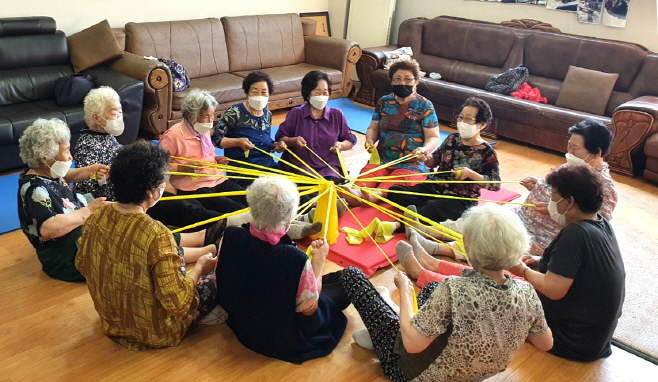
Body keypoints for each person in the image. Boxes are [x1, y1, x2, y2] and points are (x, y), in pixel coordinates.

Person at [339, 203, 553, 382]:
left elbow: (411, 345)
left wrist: (405, 290)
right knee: (432, 288)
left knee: (351, 275)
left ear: (467, 248)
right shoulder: (527, 290)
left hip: (410, 372)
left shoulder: (454, 289)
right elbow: (546, 343)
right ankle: (380, 336)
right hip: (471, 375)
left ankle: (382, 340)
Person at [76, 142, 221, 350]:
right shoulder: (156, 234)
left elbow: (82, 264)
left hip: (111, 321)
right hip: (156, 332)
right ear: (151, 192)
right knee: (213, 284)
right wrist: (199, 268)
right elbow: (178, 303)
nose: (165, 187)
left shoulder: (97, 217)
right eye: (163, 183)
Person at [412, 119, 618, 262]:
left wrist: (552, 210)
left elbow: (593, 227)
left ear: (597, 152)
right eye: (569, 145)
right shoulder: (571, 166)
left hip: (543, 235)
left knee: (494, 242)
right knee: (482, 217)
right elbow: (555, 186)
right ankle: (427, 229)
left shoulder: (605, 187)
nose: (569, 152)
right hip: (521, 215)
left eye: (575, 149)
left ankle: (439, 249)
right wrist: (538, 183)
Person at [215, 176, 350, 364]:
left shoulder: (231, 235)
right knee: (348, 280)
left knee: (335, 280)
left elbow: (223, 278)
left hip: (242, 322)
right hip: (279, 336)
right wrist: (318, 261)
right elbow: (309, 308)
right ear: (289, 217)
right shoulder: (296, 259)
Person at [509, 163, 625, 362]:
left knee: (492, 300)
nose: (551, 203)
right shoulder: (600, 223)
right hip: (595, 341)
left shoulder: (575, 233)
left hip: (569, 340)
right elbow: (584, 269)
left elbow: (554, 290)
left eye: (554, 198)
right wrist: (539, 260)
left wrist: (522, 270)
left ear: (569, 202)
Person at [74, 86, 230, 231]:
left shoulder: (106, 136)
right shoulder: (88, 145)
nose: (120, 117)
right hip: (126, 201)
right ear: (97, 118)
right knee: (185, 208)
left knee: (190, 206)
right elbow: (88, 188)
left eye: (121, 111)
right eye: (115, 113)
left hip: (138, 192)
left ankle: (223, 224)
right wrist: (105, 177)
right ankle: (223, 227)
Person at [17, 118, 109, 281]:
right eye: (66, 151)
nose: (71, 157)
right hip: (64, 258)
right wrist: (88, 211)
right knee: (122, 259)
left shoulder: (44, 172)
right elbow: (49, 228)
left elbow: (64, 176)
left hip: (73, 238)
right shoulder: (35, 190)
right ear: (46, 158)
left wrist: (89, 171)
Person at [386, 97, 500, 227]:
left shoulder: (487, 151)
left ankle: (399, 225)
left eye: (468, 119)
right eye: (460, 117)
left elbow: (495, 184)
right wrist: (424, 157)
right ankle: (424, 209)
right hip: (435, 187)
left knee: (433, 207)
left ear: (482, 124)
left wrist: (471, 174)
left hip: (459, 199)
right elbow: (434, 161)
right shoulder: (452, 138)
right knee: (395, 191)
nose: (462, 122)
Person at [348, 58, 441, 205]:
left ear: (416, 81)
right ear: (391, 81)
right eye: (397, 79)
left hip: (411, 161)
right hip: (382, 158)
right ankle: (356, 196)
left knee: (395, 184)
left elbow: (433, 136)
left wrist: (424, 149)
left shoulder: (425, 105)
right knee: (365, 179)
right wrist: (370, 140)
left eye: (408, 79)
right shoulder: (384, 102)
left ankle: (374, 196)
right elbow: (373, 127)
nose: (402, 83)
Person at [159, 89, 247, 214]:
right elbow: (159, 167)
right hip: (194, 187)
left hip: (216, 178)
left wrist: (216, 159)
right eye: (206, 116)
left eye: (212, 115)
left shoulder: (203, 129)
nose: (211, 120)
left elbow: (206, 154)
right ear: (192, 116)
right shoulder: (173, 136)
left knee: (250, 199)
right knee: (238, 210)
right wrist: (182, 168)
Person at [212, 71, 286, 187]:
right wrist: (238, 142)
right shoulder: (235, 112)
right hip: (244, 170)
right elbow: (216, 138)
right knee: (269, 191)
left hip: (267, 165)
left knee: (290, 187)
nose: (259, 96)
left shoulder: (267, 114)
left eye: (264, 92)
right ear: (247, 93)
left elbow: (263, 141)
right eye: (255, 92)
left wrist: (276, 145)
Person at [275, 70, 355, 178]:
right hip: (300, 164)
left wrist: (340, 146)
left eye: (325, 92)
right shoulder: (296, 113)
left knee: (331, 184)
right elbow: (280, 139)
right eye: (317, 93)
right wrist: (293, 141)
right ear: (308, 94)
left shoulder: (337, 115)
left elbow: (349, 141)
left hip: (329, 165)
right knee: (308, 183)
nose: (322, 96)